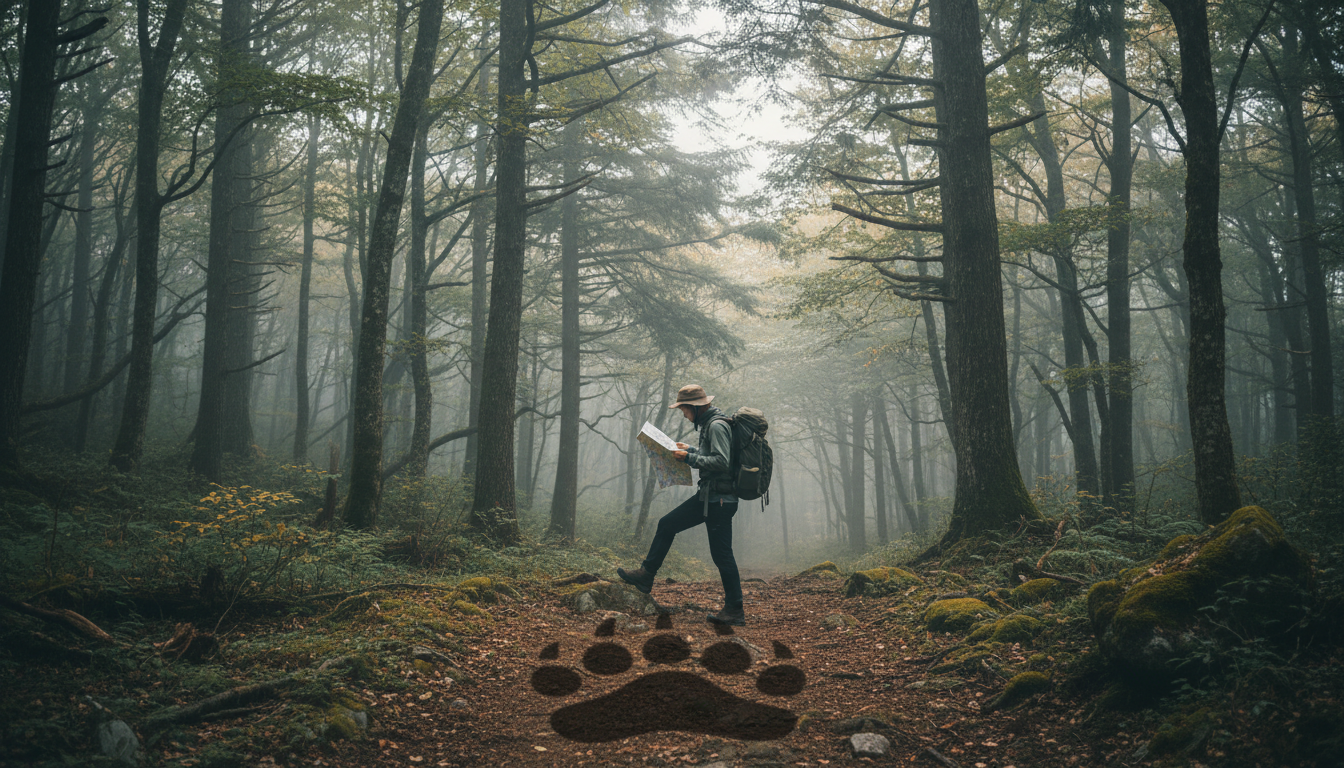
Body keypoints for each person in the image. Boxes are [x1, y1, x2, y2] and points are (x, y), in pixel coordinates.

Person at [618, 384, 744, 626]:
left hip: (719, 500)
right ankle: (646, 576)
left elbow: (722, 462)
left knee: (722, 556)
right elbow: (715, 455)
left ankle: (735, 610)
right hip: (709, 497)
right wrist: (692, 450)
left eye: (684, 410)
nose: (684, 416)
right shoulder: (711, 424)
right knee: (667, 524)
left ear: (696, 407)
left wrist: (689, 458)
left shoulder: (716, 425)